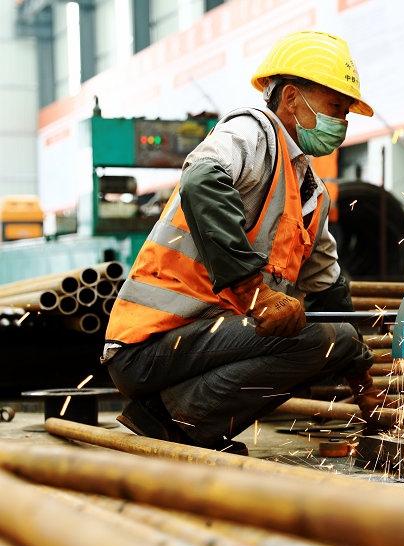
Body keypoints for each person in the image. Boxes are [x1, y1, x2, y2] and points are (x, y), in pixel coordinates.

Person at [102, 31, 384, 454]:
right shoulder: (253, 132)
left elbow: (329, 292)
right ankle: (177, 424)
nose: (341, 124)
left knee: (335, 341)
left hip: (204, 342)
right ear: (291, 98)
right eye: (335, 108)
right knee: (327, 339)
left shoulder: (311, 193)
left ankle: (178, 418)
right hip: (151, 343)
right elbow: (201, 180)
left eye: (346, 114)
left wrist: (362, 378)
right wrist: (258, 293)